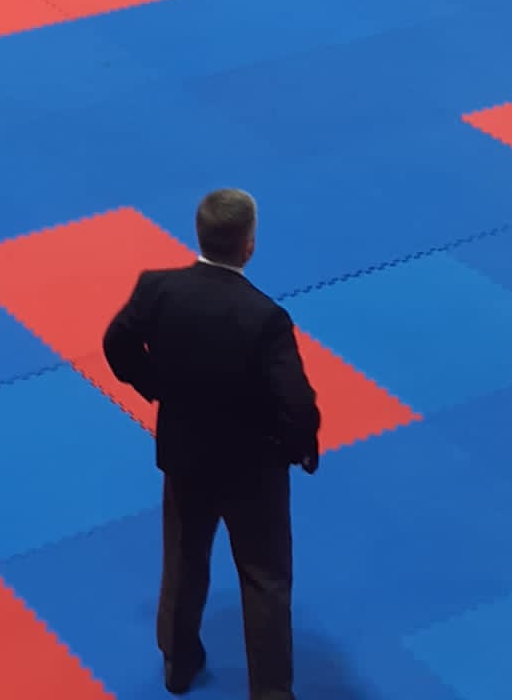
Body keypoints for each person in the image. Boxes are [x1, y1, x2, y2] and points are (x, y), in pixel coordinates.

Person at [103, 187, 320, 700]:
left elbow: (116, 344)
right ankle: (270, 692)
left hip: (186, 454)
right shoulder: (264, 317)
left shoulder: (158, 290)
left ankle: (178, 663)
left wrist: (158, 386)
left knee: (183, 561)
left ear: (199, 235)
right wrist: (296, 446)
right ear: (249, 245)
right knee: (265, 578)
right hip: (254, 468)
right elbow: (296, 402)